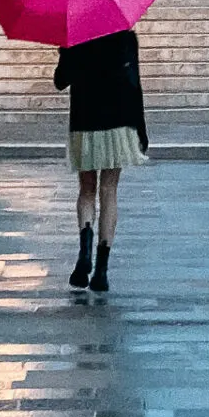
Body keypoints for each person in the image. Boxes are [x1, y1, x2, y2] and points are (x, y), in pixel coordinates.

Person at [53, 24, 149, 290]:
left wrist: (65, 50)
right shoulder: (125, 37)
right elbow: (134, 83)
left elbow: (60, 81)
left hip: (85, 120)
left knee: (86, 190)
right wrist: (141, 128)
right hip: (119, 120)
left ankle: (84, 252)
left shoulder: (75, 35)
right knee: (109, 190)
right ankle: (102, 271)